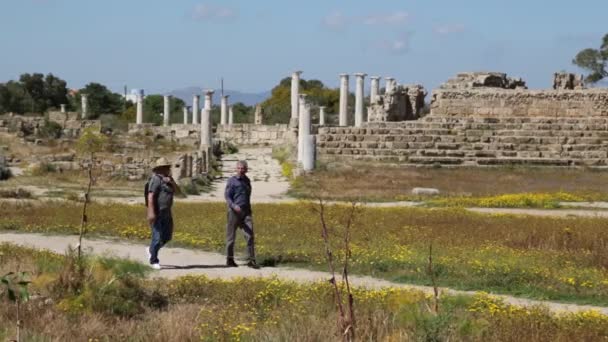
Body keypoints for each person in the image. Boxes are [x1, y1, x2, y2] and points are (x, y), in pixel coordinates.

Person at [146, 157, 180, 270]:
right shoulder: (156, 179)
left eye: (168, 167)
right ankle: (154, 260)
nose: (167, 169)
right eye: (165, 167)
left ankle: (151, 250)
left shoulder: (169, 179)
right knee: (157, 237)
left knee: (167, 236)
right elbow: (150, 196)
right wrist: (151, 212)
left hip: (167, 212)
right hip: (157, 212)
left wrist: (172, 182)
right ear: (160, 169)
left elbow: (179, 193)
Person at [224, 160, 259, 268]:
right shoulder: (232, 181)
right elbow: (227, 196)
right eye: (239, 168)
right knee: (231, 237)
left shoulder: (247, 181)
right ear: (236, 169)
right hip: (234, 212)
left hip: (246, 212)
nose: (241, 170)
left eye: (243, 168)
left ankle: (251, 260)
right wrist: (234, 206)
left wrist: (248, 210)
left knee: (250, 236)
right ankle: (230, 260)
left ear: (246, 169)